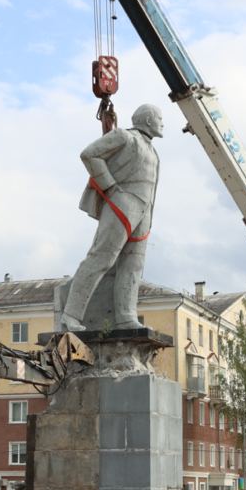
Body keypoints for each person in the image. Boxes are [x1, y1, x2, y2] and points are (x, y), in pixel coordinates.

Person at [59, 103, 163, 332]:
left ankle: (126, 316)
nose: (162, 123)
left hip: (143, 211)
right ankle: (70, 316)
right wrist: (110, 186)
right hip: (123, 203)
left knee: (133, 264)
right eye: (159, 118)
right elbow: (89, 154)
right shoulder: (125, 136)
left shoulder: (153, 150)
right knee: (101, 258)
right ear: (147, 121)